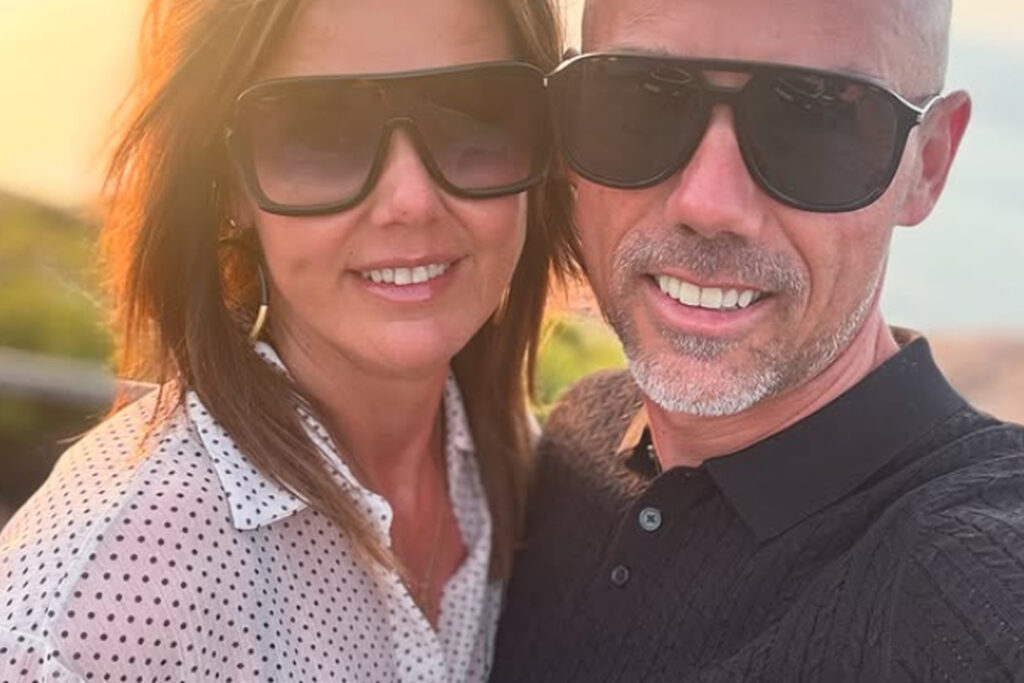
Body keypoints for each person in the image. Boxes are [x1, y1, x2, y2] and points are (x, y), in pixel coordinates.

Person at [0, 0, 576, 680]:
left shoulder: (528, 476)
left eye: (476, 113)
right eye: (321, 129)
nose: (411, 200)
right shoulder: (105, 599)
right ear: (228, 184)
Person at [490, 0, 1024, 680]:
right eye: (641, 98)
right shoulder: (576, 441)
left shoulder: (969, 583)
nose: (709, 205)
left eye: (816, 116)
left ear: (930, 163)